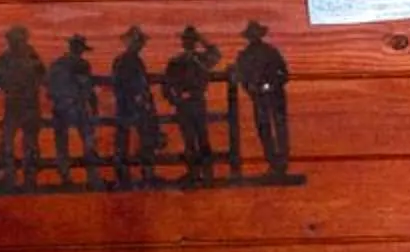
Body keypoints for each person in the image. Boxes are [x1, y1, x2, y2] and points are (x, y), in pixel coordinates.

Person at [0, 25, 45, 191]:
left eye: (15, 39)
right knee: (12, 142)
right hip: (20, 105)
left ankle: (24, 178)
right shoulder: (12, 57)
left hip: (23, 105)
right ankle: (16, 177)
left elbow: (41, 77)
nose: (14, 42)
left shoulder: (25, 57)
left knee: (21, 142)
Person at [232, 19, 291, 178]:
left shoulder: (271, 52)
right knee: (264, 130)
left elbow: (283, 73)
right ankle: (272, 163)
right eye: (252, 35)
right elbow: (240, 77)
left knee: (279, 129)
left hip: (275, 96)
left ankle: (282, 164)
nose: (254, 38)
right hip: (258, 98)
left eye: (255, 35)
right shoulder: (244, 56)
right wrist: (251, 89)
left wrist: (271, 85)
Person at [162, 25, 219, 183]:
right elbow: (166, 85)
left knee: (202, 137)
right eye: (186, 40)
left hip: (197, 102)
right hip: (184, 104)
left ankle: (207, 174)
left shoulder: (201, 60)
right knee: (189, 139)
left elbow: (216, 53)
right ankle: (194, 173)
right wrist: (175, 99)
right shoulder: (176, 62)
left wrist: (202, 38)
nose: (188, 43)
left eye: (191, 40)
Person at [109, 26, 162, 187]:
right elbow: (123, 85)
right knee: (131, 140)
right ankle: (133, 175)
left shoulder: (129, 60)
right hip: (131, 106)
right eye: (137, 42)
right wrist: (139, 100)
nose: (140, 45)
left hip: (129, 106)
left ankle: (135, 174)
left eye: (140, 43)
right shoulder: (127, 61)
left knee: (130, 140)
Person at [44, 34, 97, 185]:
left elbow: (47, 86)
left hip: (59, 107)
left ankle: (65, 175)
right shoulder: (82, 64)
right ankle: (91, 175)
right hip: (76, 106)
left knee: (62, 142)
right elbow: (87, 89)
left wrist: (56, 98)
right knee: (87, 137)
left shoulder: (57, 64)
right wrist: (93, 107)